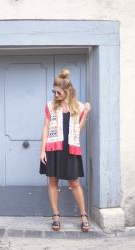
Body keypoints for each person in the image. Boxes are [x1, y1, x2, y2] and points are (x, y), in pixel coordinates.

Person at [39, 68, 91, 232]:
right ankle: (55, 216)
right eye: (53, 92)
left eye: (58, 92)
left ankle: (83, 215)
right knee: (53, 181)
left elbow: (78, 130)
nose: (55, 95)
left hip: (70, 149)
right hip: (53, 148)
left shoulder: (79, 107)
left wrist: (86, 114)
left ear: (68, 91)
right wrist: (42, 151)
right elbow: (46, 129)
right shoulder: (50, 106)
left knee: (74, 183)